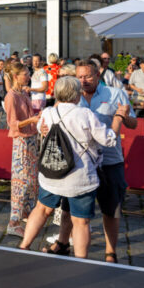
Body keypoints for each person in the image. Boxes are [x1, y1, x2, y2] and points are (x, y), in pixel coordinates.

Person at [19, 77, 127, 258]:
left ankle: (24, 246)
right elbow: (108, 139)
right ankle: (80, 261)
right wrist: (118, 118)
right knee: (81, 221)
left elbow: (40, 127)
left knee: (42, 209)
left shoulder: (48, 112)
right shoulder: (85, 115)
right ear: (77, 95)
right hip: (79, 177)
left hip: (52, 172)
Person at [46, 60, 137, 262]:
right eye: (79, 77)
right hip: (78, 163)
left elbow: (133, 123)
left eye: (87, 76)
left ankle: (110, 251)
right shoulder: (71, 95)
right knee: (70, 207)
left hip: (110, 161)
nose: (83, 81)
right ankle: (62, 242)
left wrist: (123, 117)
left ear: (98, 75)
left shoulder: (115, 94)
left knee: (110, 209)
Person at [3, 61, 40, 236]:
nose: (29, 76)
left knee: (31, 181)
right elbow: (12, 124)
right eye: (26, 74)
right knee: (21, 182)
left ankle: (27, 213)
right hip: (21, 142)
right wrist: (31, 121)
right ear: (16, 76)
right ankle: (13, 221)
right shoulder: (11, 96)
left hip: (31, 140)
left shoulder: (23, 93)